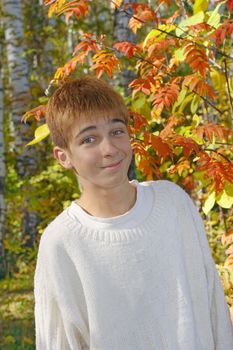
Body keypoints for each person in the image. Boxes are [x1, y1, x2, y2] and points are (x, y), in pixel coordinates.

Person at [34, 76, 233, 350]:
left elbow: (213, 305)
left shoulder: (173, 204)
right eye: (89, 139)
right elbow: (58, 342)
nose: (110, 149)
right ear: (63, 156)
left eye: (116, 132)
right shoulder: (61, 242)